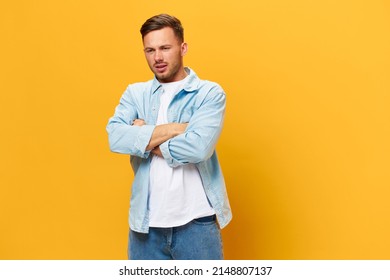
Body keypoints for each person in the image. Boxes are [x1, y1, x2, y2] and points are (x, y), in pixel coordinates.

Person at [106, 14, 232, 260]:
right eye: (150, 50)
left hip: (197, 225)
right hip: (145, 228)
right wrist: (177, 128)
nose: (158, 57)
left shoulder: (208, 93)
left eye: (165, 48)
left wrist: (142, 135)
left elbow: (197, 149)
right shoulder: (135, 94)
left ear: (182, 47)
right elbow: (115, 137)